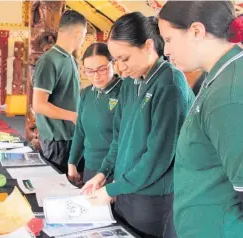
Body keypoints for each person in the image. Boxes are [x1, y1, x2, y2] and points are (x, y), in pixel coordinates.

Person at [82, 12, 194, 237]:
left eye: (125, 58)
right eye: (116, 61)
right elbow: (118, 137)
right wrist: (103, 173)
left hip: (153, 198)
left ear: (148, 46)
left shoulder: (169, 84)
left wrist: (113, 188)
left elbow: (157, 158)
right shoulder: (131, 83)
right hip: (127, 187)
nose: (121, 68)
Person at [158, 1, 243, 237]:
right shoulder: (219, 75)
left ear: (196, 31)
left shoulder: (230, 94)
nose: (165, 50)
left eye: (169, 39)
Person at [32, 10, 87, 173]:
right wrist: (73, 116)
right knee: (59, 190)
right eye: (84, 35)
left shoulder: (70, 58)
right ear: (78, 33)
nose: (83, 40)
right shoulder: (49, 60)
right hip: (57, 141)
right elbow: (39, 105)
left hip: (72, 136)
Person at [67, 43, 122, 183]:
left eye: (102, 69)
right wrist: (72, 162)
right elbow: (80, 130)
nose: (96, 76)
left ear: (113, 64)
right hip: (90, 167)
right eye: (90, 71)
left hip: (115, 171)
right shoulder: (86, 93)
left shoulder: (124, 92)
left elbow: (124, 140)